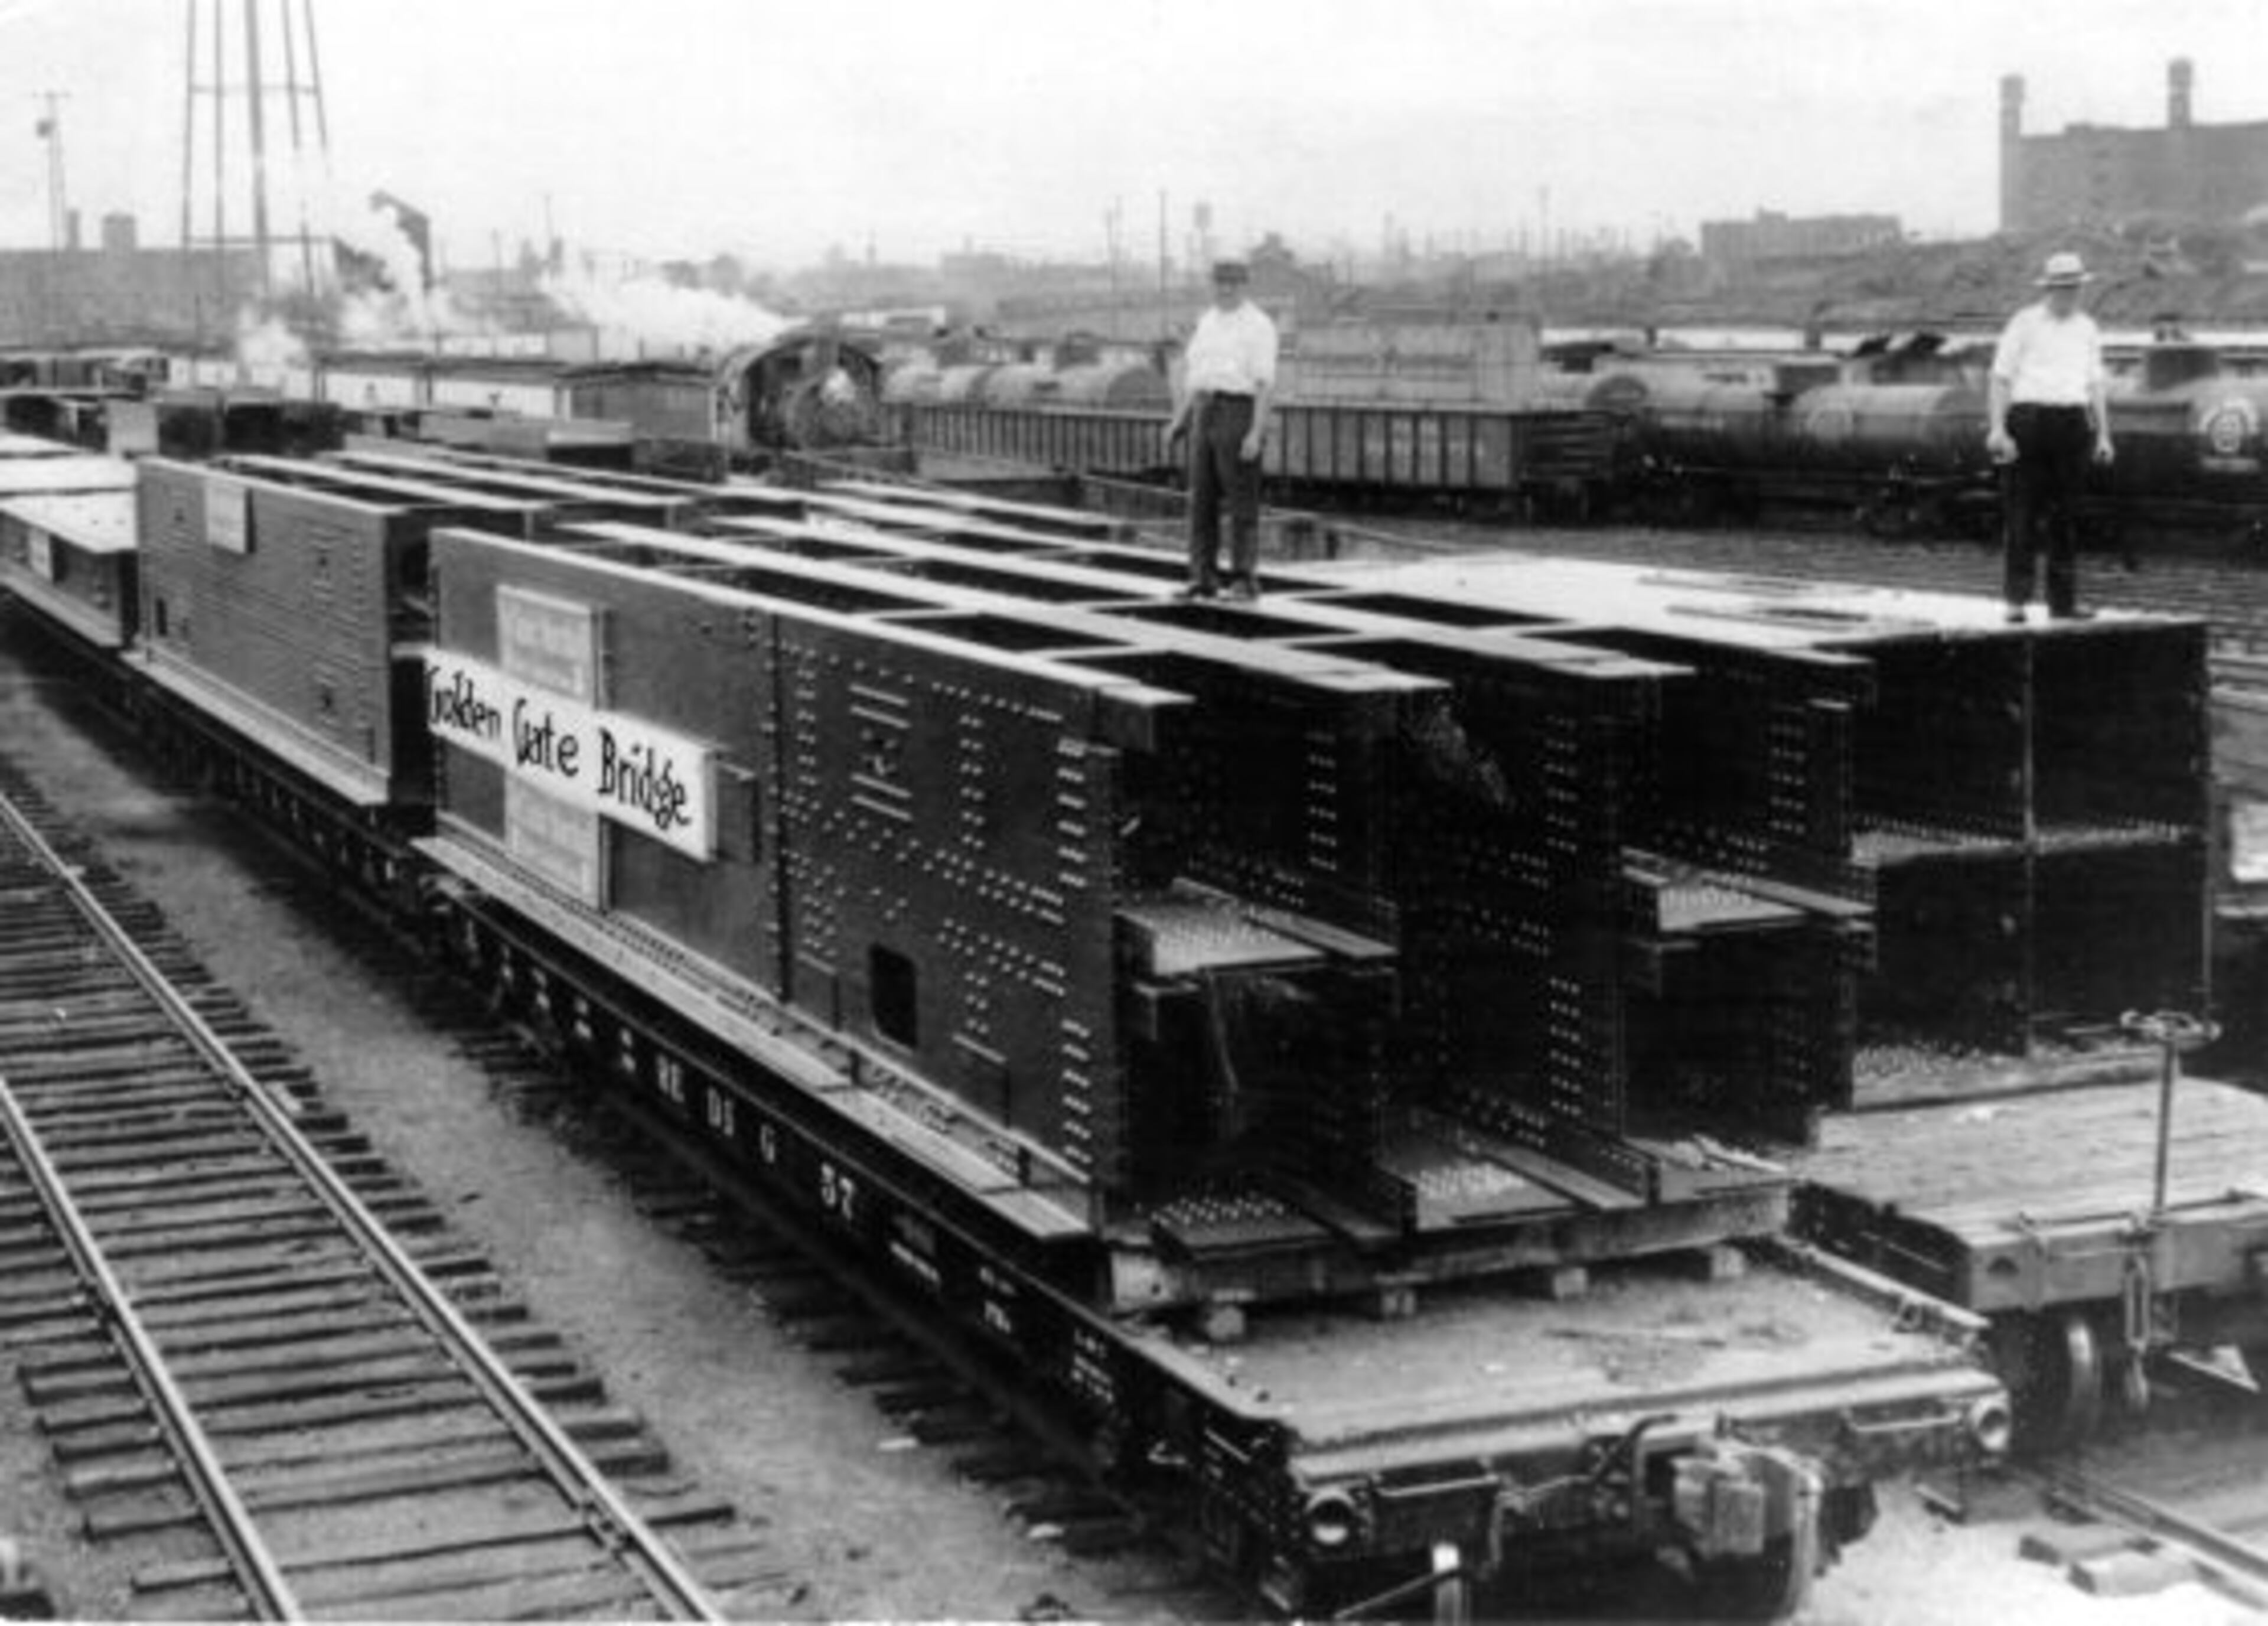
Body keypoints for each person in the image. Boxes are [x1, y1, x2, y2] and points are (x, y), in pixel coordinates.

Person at [1985, 250, 2115, 623]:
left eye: (2073, 287)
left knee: (2066, 518)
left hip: (2073, 423)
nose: (2068, 294)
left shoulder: (2088, 328)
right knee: (2022, 513)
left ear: (2080, 288)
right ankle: (2016, 601)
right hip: (2029, 421)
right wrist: (1997, 428)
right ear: (2048, 288)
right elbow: (2000, 378)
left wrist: (2104, 434)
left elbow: (2095, 384)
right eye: (2061, 288)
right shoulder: (2024, 323)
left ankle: (2063, 604)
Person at [1164, 259, 1278, 600]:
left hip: (1238, 410)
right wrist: (1179, 420)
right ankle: (1203, 578)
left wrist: (1256, 432)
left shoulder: (1259, 325)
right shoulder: (1207, 322)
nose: (1225, 290)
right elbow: (1197, 378)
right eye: (1220, 283)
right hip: (1204, 410)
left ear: (1245, 286)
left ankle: (1244, 579)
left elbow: (1264, 384)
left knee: (1241, 499)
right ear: (1212, 285)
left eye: (1233, 283)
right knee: (1201, 499)